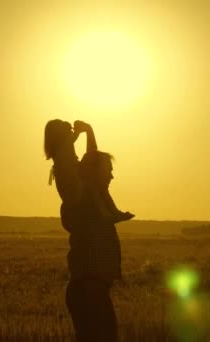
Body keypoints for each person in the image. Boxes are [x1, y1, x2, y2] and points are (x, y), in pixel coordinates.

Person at [44, 119, 133, 341]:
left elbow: (92, 158)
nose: (111, 176)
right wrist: (71, 138)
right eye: (108, 170)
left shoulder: (93, 192)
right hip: (88, 291)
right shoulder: (78, 195)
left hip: (96, 291)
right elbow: (68, 161)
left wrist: (89, 132)